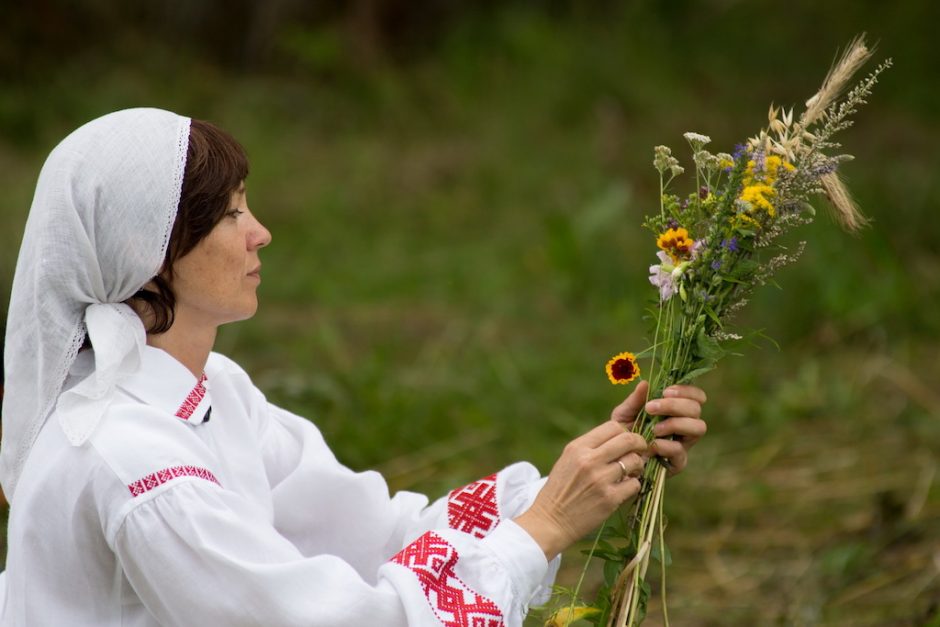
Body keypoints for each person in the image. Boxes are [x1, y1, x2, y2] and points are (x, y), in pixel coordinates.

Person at [0, 108, 707, 626]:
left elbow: (377, 535)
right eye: (229, 215)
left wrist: (578, 477)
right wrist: (544, 527)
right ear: (150, 253)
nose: (261, 233)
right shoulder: (138, 464)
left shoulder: (213, 394)